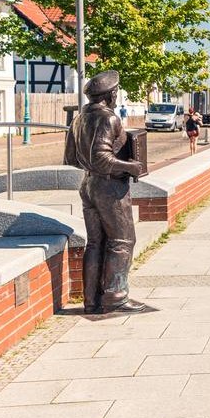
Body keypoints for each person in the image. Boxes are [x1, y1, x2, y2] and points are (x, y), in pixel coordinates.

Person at [63, 70, 146, 314]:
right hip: (108, 188)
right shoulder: (109, 119)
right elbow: (101, 158)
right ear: (110, 94)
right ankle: (115, 296)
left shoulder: (78, 119)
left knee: (96, 243)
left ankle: (91, 299)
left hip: (88, 185)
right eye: (116, 93)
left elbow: (71, 158)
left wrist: (93, 168)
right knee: (122, 241)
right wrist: (131, 166)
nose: (116, 96)